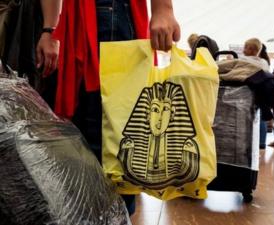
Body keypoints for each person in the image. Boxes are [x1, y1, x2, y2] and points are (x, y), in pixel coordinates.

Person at [53, 0, 180, 216]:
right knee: (88, 144)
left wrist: (163, 8)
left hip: (106, 12)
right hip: (85, 16)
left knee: (108, 146)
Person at [258, 43, 272, 149]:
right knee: (262, 117)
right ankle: (262, 142)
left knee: (261, 118)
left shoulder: (260, 61)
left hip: (260, 90)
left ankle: (261, 142)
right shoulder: (265, 61)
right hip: (266, 90)